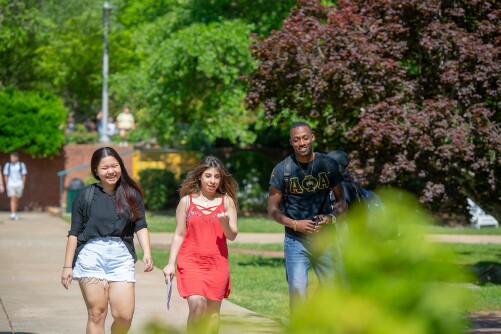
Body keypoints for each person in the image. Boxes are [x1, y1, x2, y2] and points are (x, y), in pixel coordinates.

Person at [60, 147, 154, 334]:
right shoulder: (85, 196)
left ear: (120, 166)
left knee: (124, 316)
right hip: (91, 255)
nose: (111, 171)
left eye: (114, 166)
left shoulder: (131, 194)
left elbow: (140, 225)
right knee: (97, 313)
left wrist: (147, 253)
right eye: (105, 168)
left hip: (121, 257)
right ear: (96, 171)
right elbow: (74, 232)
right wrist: (67, 266)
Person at [268, 122, 348, 311]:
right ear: (291, 142)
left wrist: (330, 217)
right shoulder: (282, 170)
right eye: (296, 139)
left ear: (312, 138)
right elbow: (273, 209)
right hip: (296, 241)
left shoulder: (328, 165)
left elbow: (341, 202)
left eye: (305, 137)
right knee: (297, 291)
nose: (301, 143)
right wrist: (296, 225)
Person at [163, 156, 238, 334]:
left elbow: (232, 235)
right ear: (199, 177)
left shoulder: (226, 202)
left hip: (217, 264)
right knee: (197, 307)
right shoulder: (186, 202)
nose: (213, 181)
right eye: (208, 176)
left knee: (212, 314)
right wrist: (170, 263)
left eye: (217, 176)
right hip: (191, 262)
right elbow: (179, 234)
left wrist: (225, 223)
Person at [3, 152, 28, 221]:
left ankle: (14, 212)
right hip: (11, 184)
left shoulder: (21, 165)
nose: (12, 158)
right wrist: (7, 184)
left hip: (19, 184)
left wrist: (22, 184)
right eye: (11, 157)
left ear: (17, 158)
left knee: (16, 199)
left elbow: (24, 175)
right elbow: (6, 175)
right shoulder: (8, 165)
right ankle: (13, 214)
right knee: (13, 198)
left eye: (13, 157)